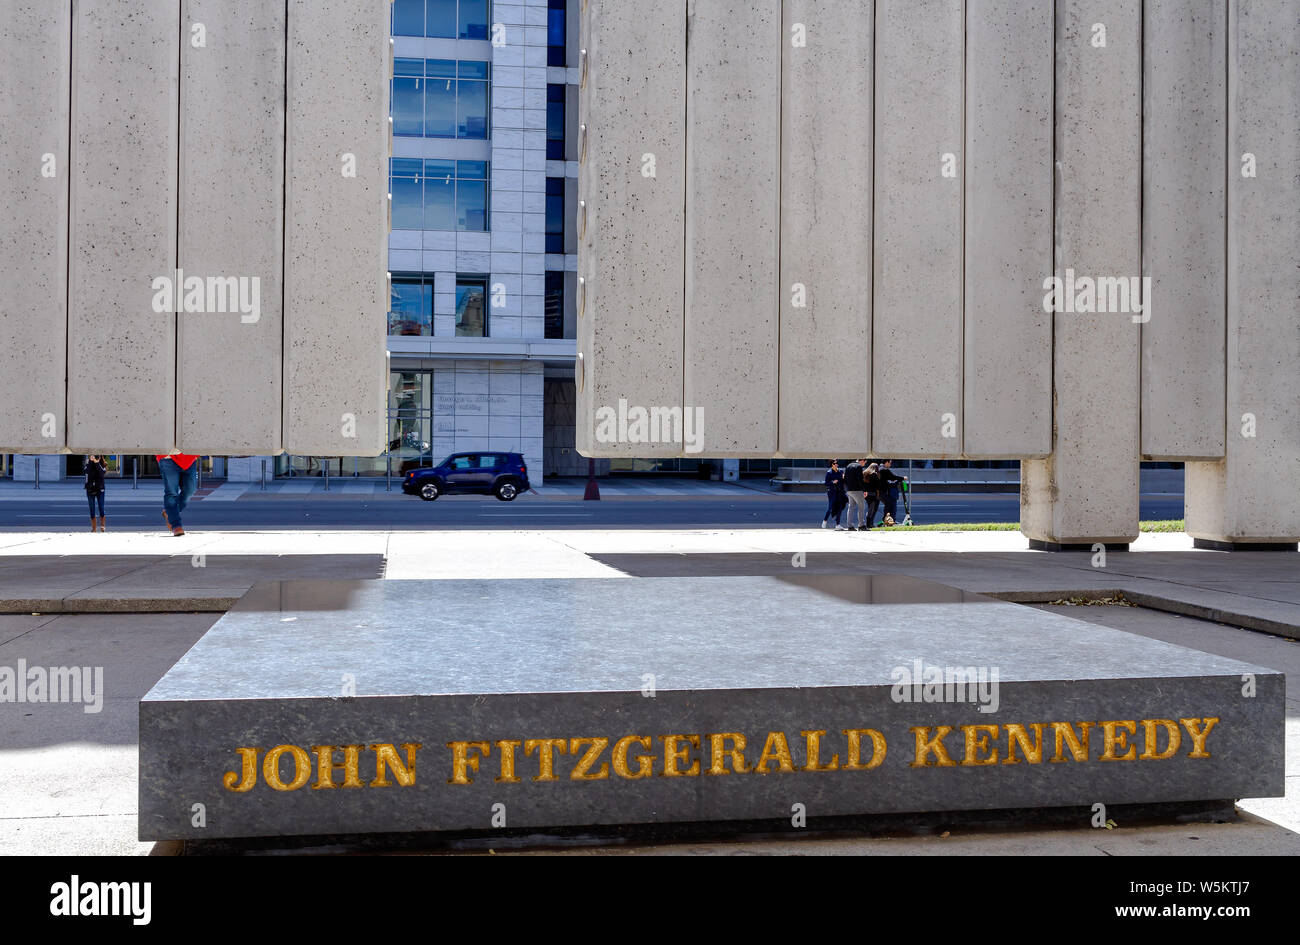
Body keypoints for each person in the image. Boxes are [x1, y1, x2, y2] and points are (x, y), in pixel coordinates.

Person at [156, 453, 201, 536]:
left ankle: (169, 513)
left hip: (189, 458)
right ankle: (176, 525)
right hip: (168, 457)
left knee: (190, 490)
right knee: (171, 492)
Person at [877, 459, 908, 526]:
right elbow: (892, 476)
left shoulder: (879, 469)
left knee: (888, 504)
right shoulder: (884, 469)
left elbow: (889, 478)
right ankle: (887, 520)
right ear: (886, 462)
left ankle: (888, 520)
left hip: (879, 491)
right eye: (890, 463)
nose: (890, 465)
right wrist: (903, 478)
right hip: (882, 491)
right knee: (889, 504)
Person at [84, 454, 107, 532]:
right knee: (92, 509)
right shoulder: (88, 464)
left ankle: (103, 526)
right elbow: (86, 471)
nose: (96, 458)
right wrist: (90, 462)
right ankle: (94, 528)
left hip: (100, 489)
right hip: (90, 489)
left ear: (100, 457)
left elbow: (102, 472)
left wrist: (97, 463)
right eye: (94, 456)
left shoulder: (103, 464)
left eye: (97, 456)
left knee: (101, 507)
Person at [842, 458, 867, 530]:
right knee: (861, 507)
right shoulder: (859, 467)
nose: (864, 464)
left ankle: (850, 525)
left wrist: (846, 488)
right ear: (862, 460)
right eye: (865, 462)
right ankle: (861, 525)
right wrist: (864, 490)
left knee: (851, 507)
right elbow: (860, 479)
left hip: (849, 490)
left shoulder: (848, 466)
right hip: (857, 490)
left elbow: (845, 478)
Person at [821, 460, 844, 528]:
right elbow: (826, 483)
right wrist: (832, 482)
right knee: (831, 507)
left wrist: (843, 478)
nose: (836, 464)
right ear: (832, 465)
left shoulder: (841, 472)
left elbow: (842, 481)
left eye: (837, 463)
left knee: (839, 508)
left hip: (839, 492)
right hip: (832, 492)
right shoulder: (829, 473)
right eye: (834, 463)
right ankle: (825, 521)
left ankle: (838, 524)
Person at [864, 462, 881, 530]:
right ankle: (869, 524)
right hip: (873, 494)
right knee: (872, 509)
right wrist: (878, 494)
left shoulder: (865, 473)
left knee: (869, 508)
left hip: (866, 494)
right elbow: (877, 486)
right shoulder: (874, 474)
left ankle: (868, 523)